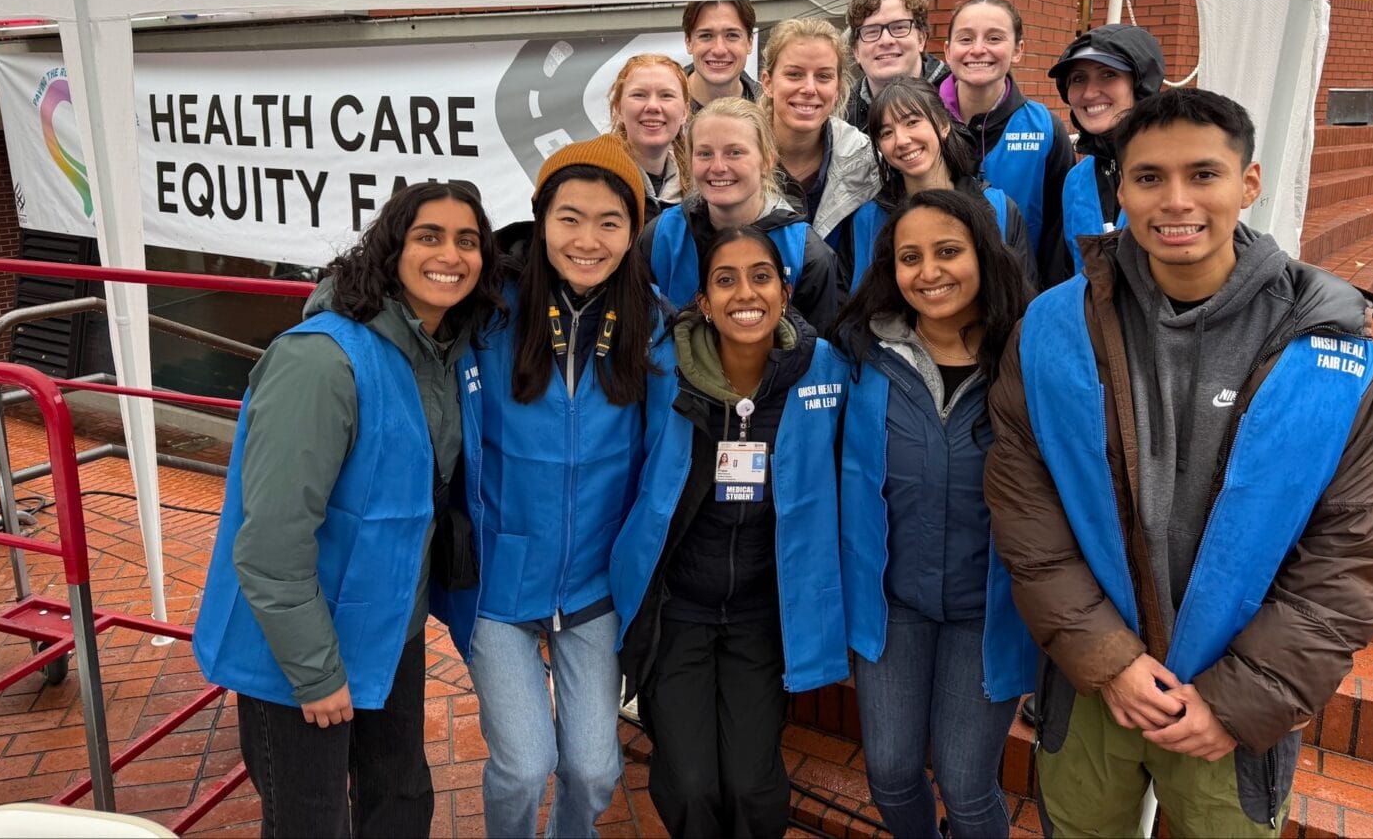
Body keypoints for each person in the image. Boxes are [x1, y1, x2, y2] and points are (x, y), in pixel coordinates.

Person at [983, 89, 1373, 836]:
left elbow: (1352, 552)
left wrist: (1240, 699)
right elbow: (1027, 510)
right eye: (1148, 178)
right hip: (1090, 685)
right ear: (1120, 188)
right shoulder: (1051, 327)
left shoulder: (1337, 357)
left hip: (1233, 706)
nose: (1175, 200)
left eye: (1203, 174)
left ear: (1249, 183)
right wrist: (1106, 658)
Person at [194, 181, 502, 838]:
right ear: (390, 251)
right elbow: (271, 545)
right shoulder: (320, 360)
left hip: (390, 628)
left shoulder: (444, 354)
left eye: (467, 240)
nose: (450, 254)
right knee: (310, 821)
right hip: (299, 647)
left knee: (401, 796)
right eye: (429, 236)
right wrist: (316, 674)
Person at [437, 134, 659, 838]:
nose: (587, 240)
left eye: (609, 222)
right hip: (500, 584)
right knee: (525, 764)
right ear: (540, 218)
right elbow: (389, 303)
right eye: (569, 218)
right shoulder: (488, 309)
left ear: (633, 231)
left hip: (594, 587)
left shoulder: (650, 321)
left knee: (595, 768)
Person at [612, 225, 850, 838]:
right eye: (725, 280)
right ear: (703, 303)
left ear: (786, 289)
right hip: (677, 611)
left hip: (761, 615)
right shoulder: (662, 370)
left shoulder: (823, 371)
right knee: (689, 784)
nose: (746, 293)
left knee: (751, 785)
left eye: (761, 276)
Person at [836, 188, 1038, 839]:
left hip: (987, 611)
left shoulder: (1028, 358)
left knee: (966, 782)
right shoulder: (863, 357)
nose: (929, 273)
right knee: (891, 772)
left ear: (984, 255)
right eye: (909, 257)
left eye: (948, 252)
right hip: (894, 604)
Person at [640, 96, 844, 332]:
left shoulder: (805, 253)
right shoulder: (661, 237)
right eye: (705, 154)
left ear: (767, 160)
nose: (718, 167)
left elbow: (820, 354)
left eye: (734, 152)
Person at [847, 76, 1037, 289]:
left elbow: (1022, 300)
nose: (901, 140)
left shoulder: (999, 209)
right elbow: (857, 308)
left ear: (944, 125)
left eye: (912, 122)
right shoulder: (867, 219)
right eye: (887, 133)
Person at [939, 0, 1075, 284]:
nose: (978, 49)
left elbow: (1057, 234)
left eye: (994, 38)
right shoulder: (921, 122)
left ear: (1017, 50)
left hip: (1018, 297)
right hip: (937, 290)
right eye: (965, 39)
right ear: (948, 51)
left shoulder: (1046, 129)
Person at [1047, 22, 1165, 278]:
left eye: (1108, 74)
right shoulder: (1077, 180)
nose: (1090, 93)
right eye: (1078, 79)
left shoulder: (1177, 169)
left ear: (1141, 83)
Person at [761, 17, 880, 250]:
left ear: (838, 88)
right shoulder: (732, 157)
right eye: (794, 74)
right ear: (768, 83)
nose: (809, 88)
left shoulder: (868, 162)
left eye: (823, 76)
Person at [841, 0, 950, 133]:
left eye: (899, 28)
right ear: (856, 51)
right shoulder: (839, 115)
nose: (886, 41)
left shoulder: (961, 97)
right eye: (872, 31)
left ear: (921, 39)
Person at [607, 52, 692, 221]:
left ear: (685, 112)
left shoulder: (700, 188)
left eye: (666, 95)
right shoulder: (595, 178)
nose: (653, 106)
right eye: (639, 95)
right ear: (618, 108)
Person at [683, 0, 760, 112]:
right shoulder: (660, 107)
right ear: (688, 42)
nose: (719, 50)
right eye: (706, 36)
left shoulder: (771, 109)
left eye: (732, 35)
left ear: (750, 42)